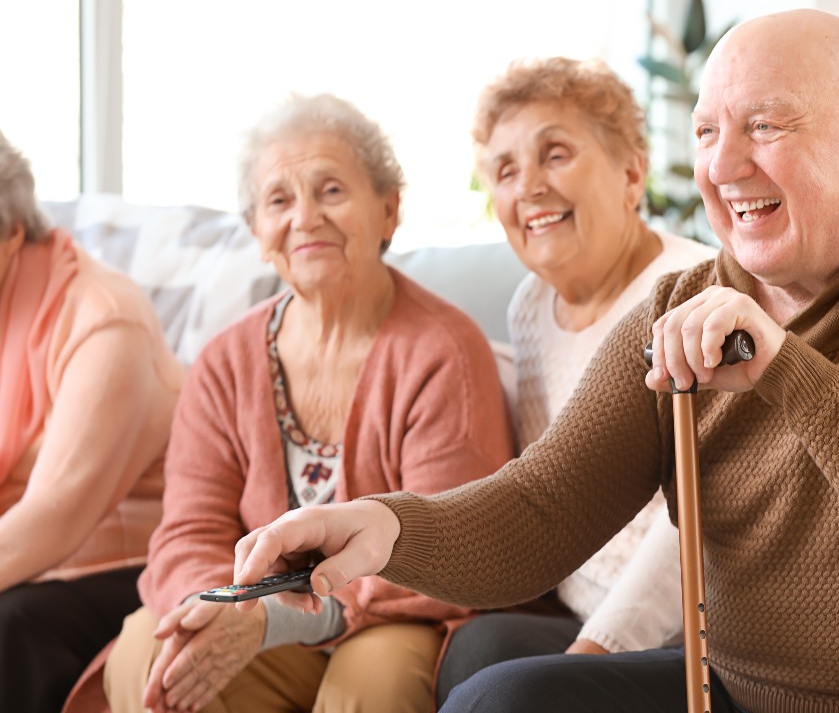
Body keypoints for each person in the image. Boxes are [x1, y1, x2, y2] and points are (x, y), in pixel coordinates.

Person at [233, 10, 839, 712]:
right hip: (742, 692)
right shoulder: (682, 303)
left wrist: (782, 367)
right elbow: (546, 507)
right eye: (705, 133)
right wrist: (382, 530)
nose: (723, 166)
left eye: (765, 126)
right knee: (501, 698)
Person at [102, 94, 513, 713]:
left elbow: (451, 549)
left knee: (370, 685)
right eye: (279, 200)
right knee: (148, 652)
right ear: (257, 233)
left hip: (391, 617)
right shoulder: (224, 361)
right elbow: (190, 529)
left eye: (331, 191)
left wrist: (275, 619)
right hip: (253, 616)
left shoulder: (443, 352)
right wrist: (210, 612)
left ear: (388, 210)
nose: (305, 218)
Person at [434, 57, 715, 705]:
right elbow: (550, 493)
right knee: (473, 649)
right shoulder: (530, 309)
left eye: (554, 153)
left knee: (509, 688)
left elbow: (695, 522)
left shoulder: (697, 292)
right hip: (581, 613)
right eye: (505, 170)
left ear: (631, 173)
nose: (528, 185)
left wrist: (594, 652)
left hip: (700, 624)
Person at [0, 132, 183, 712]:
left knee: (10, 625)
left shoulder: (104, 321)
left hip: (131, 562)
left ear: (7, 237)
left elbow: (53, 517)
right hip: (30, 562)